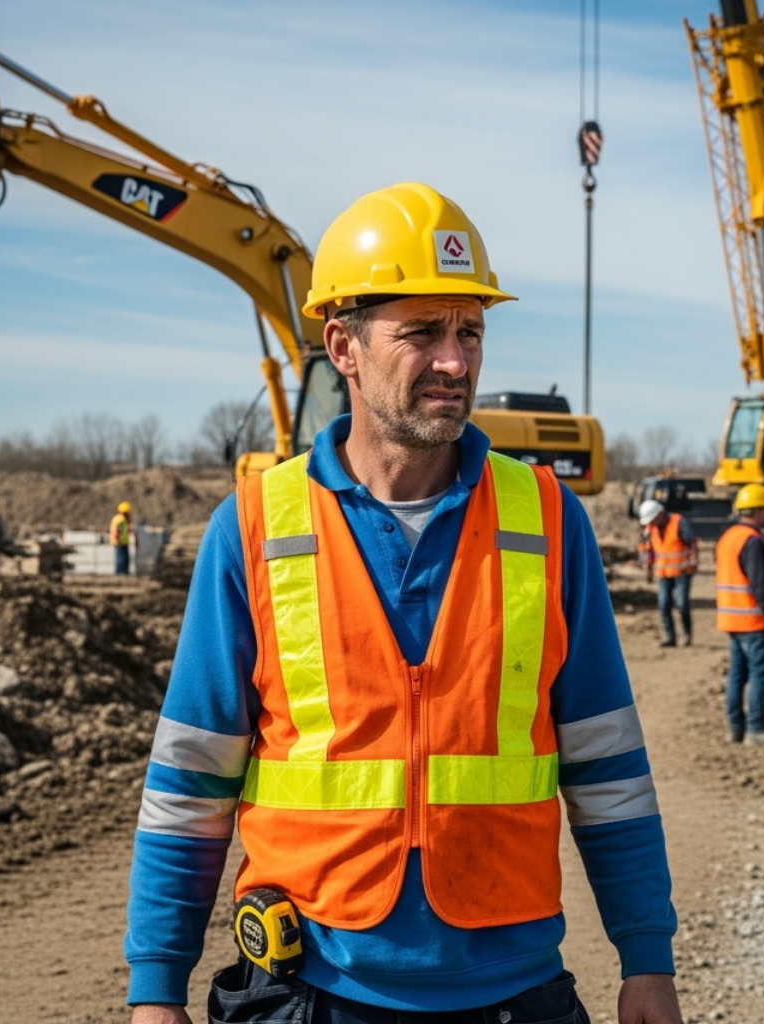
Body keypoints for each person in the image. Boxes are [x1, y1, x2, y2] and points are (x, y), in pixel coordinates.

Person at [124, 184, 681, 1024]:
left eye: (470, 331)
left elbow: (608, 766)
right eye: (422, 331)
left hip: (512, 991)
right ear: (342, 345)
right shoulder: (252, 528)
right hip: (310, 990)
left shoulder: (545, 520)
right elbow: (191, 777)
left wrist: (648, 958)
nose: (456, 361)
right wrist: (156, 986)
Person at [715, 484, 764, 744]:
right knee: (760, 673)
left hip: (731, 619)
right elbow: (758, 585)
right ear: (757, 511)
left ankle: (736, 728)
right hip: (752, 620)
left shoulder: (728, 538)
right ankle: (756, 729)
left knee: (737, 674)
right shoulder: (752, 541)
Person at [638, 499, 698, 647]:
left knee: (682, 604)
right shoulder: (650, 528)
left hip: (682, 571)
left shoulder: (679, 522)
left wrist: (693, 559)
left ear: (660, 513)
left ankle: (687, 635)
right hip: (663, 573)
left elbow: (691, 542)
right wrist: (648, 568)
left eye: (653, 519)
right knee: (664, 605)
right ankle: (670, 637)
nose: (651, 522)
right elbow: (649, 549)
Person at [110, 501, 132, 575]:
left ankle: (122, 572)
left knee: (123, 558)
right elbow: (118, 530)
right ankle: (120, 573)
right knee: (122, 559)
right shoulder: (121, 519)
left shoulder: (120, 518)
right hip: (121, 542)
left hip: (122, 542)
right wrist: (118, 539)